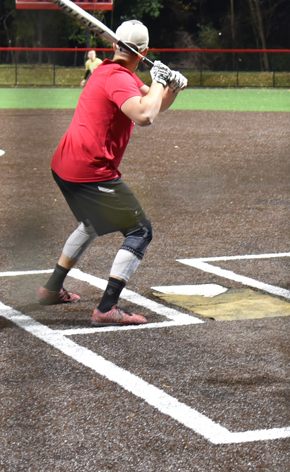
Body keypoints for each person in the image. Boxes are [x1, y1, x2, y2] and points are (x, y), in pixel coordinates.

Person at [40, 21, 186, 325]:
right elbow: (145, 116)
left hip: (66, 164)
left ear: (114, 45)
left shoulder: (109, 72)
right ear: (144, 51)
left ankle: (51, 289)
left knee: (91, 224)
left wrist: (170, 87)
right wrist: (158, 79)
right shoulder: (119, 79)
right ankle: (107, 308)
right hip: (90, 170)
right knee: (140, 230)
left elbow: (154, 104)